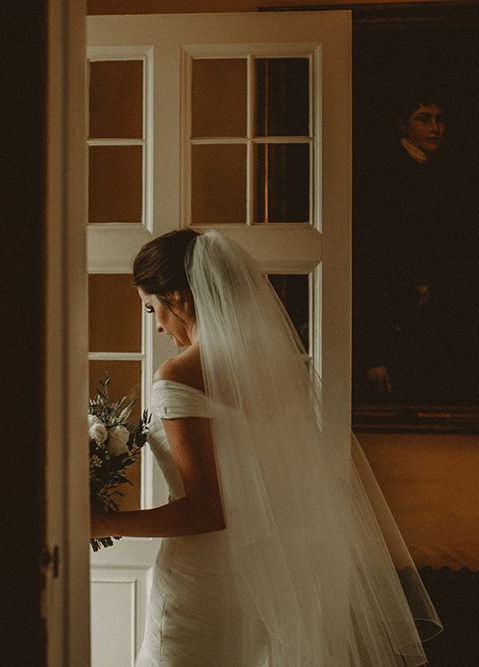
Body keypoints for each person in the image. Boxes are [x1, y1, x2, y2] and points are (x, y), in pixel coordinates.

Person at [91, 228, 441, 665]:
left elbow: (206, 510)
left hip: (202, 581)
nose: (158, 325)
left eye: (152, 308)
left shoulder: (178, 375)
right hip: (264, 580)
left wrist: (101, 523)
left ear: (177, 296)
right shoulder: (269, 374)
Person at [352, 93, 479, 403]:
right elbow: (378, 256)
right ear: (402, 125)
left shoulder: (444, 175)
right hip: (393, 295)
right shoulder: (386, 176)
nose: (435, 128)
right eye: (424, 119)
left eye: (441, 120)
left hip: (431, 297)